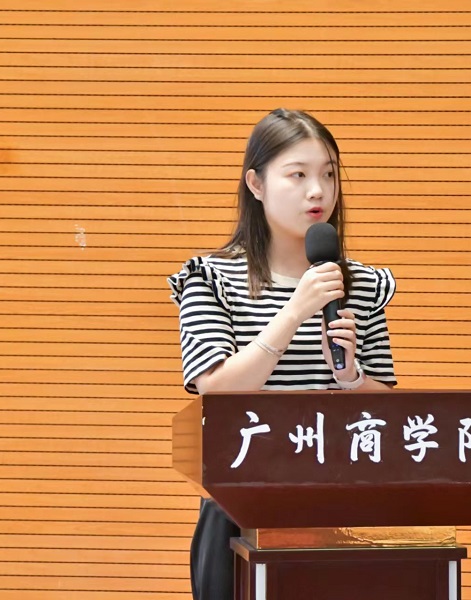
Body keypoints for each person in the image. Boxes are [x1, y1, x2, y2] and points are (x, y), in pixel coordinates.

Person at [167, 108, 397, 600]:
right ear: (256, 184)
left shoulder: (360, 284)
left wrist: (352, 377)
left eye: (328, 175)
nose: (318, 191)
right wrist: (293, 313)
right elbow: (216, 391)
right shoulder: (211, 278)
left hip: (340, 511)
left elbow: (386, 412)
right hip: (240, 512)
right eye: (298, 175)